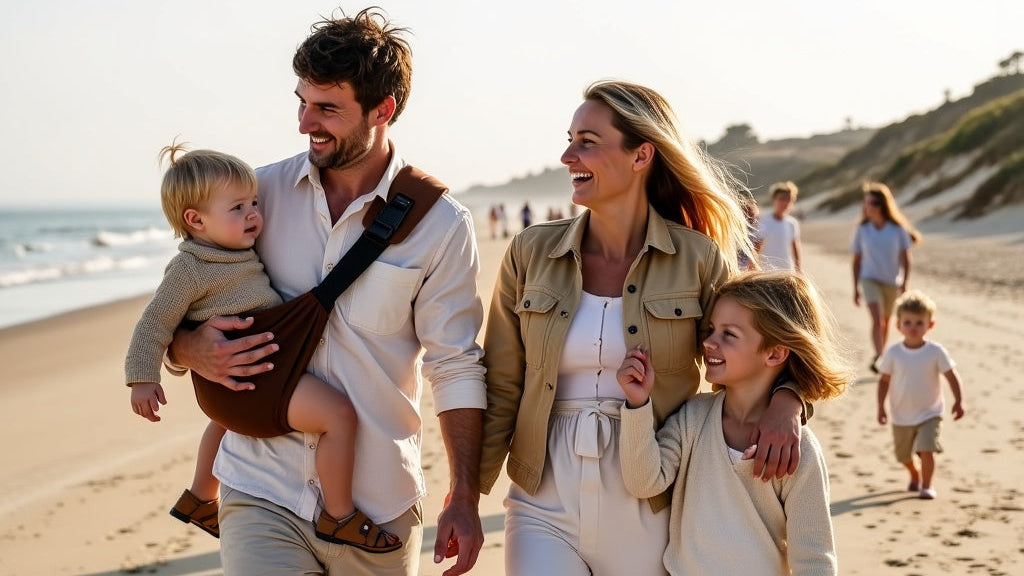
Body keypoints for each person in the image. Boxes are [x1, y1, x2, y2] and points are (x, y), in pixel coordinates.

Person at [164, 8, 486, 576]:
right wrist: (189, 349)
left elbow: (455, 365)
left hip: (379, 508)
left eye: (327, 108)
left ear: (383, 110)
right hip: (260, 489)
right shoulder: (255, 194)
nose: (304, 122)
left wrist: (464, 494)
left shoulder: (441, 225)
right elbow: (178, 300)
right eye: (302, 101)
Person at [479, 80, 807, 576]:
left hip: (654, 501)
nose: (568, 155)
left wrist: (789, 402)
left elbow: (762, 350)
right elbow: (502, 383)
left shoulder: (697, 259)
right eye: (569, 139)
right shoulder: (529, 252)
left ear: (641, 156)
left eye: (587, 141)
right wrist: (466, 493)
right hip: (541, 498)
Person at [125, 143, 399, 552]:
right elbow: (154, 321)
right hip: (258, 379)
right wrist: (142, 378)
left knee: (224, 421)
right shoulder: (190, 266)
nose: (254, 213)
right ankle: (339, 515)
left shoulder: (234, 249)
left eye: (254, 202)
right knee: (338, 416)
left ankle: (200, 496)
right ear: (195, 220)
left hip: (242, 382)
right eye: (237, 208)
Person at [617, 271, 850, 576]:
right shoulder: (692, 418)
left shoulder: (798, 448)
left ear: (776, 352)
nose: (709, 342)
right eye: (711, 329)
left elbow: (814, 558)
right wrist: (637, 405)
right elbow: (643, 482)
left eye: (729, 334)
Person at [876, 290, 965, 500]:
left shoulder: (936, 352)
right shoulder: (893, 353)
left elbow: (951, 375)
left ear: (930, 325)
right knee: (903, 455)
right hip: (901, 415)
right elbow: (884, 381)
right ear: (898, 325)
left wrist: (959, 400)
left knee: (927, 448)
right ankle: (914, 473)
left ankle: (927, 485)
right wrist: (880, 407)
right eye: (907, 322)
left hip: (930, 412)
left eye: (919, 322)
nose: (913, 327)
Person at [851, 181, 921, 372]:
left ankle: (880, 353)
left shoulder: (897, 230)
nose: (867, 207)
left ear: (882, 205)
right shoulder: (862, 230)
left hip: (892, 281)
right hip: (869, 279)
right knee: (876, 319)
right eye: (865, 203)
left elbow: (906, 257)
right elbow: (857, 260)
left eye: (872, 203)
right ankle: (881, 357)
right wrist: (855, 288)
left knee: (886, 321)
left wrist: (905, 282)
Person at [757, 181, 802, 271]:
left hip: (788, 270)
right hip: (766, 272)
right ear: (774, 199)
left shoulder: (792, 223)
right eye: (781, 199)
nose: (785, 203)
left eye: (789, 199)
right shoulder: (763, 221)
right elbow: (756, 248)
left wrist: (799, 270)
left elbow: (795, 248)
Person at [737, 194, 762, 271]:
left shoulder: (753, 233)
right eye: (750, 218)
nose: (754, 221)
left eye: (756, 218)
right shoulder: (736, 234)